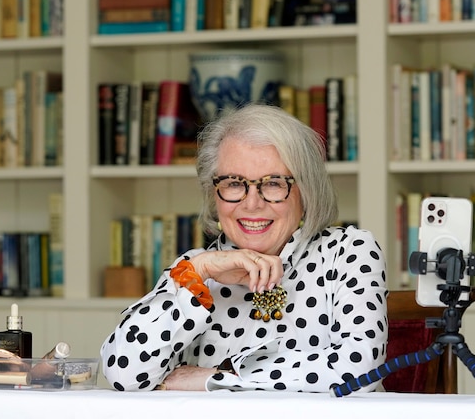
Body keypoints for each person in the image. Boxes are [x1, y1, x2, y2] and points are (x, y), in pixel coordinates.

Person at [100, 103, 388, 392]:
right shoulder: (196, 268)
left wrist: (217, 377)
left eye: (274, 183)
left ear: (307, 190)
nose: (252, 204)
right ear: (214, 194)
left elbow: (359, 371)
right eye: (234, 183)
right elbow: (123, 375)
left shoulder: (349, 252)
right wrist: (196, 274)